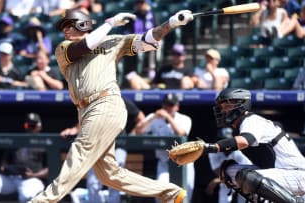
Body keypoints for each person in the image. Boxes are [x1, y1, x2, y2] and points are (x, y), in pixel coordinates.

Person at [28, 8, 195, 203]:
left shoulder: (112, 40)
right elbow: (86, 46)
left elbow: (148, 40)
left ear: (82, 24)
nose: (64, 31)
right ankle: (170, 192)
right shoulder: (63, 48)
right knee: (108, 174)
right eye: (63, 27)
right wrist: (109, 23)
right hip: (86, 110)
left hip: (106, 103)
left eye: (68, 25)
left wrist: (172, 23)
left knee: (80, 150)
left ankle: (43, 200)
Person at [198, 88, 305, 202]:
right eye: (222, 106)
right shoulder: (238, 128)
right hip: (276, 174)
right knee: (227, 170)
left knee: (247, 177)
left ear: (240, 104)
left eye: (227, 105)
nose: (223, 110)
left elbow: (245, 141)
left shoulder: (251, 120)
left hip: (294, 174)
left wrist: (211, 147)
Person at [62, 97, 146, 203]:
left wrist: (133, 134)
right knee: (93, 183)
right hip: (98, 145)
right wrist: (75, 129)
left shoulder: (121, 100)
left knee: (114, 180)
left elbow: (141, 118)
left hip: (118, 144)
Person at [135, 93, 194, 203]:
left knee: (184, 196)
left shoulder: (185, 119)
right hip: (165, 162)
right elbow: (138, 131)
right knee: (161, 193)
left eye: (171, 105)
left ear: (177, 107)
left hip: (184, 162)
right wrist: (152, 117)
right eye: (166, 105)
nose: (168, 108)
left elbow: (181, 133)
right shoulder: (154, 118)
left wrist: (168, 118)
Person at [0, 112, 48, 202]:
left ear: (39, 127)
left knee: (27, 195)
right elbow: (3, 164)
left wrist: (33, 175)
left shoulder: (45, 142)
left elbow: (50, 169)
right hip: (13, 178)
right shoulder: (17, 141)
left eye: (33, 126)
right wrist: (6, 169)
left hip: (32, 179)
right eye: (28, 126)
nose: (30, 129)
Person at [206, 128, 253, 203]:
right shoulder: (213, 152)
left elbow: (247, 174)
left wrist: (217, 180)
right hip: (227, 182)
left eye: (228, 141)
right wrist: (221, 179)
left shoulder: (240, 152)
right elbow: (218, 172)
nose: (226, 145)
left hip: (245, 182)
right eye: (223, 140)